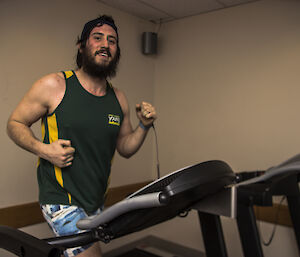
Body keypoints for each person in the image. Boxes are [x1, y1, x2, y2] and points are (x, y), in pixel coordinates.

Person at [6, 15, 157, 257]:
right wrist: (44, 149)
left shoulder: (118, 98)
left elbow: (126, 148)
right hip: (60, 198)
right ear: (82, 46)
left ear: (116, 51)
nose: (105, 44)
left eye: (112, 41)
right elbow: (14, 123)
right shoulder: (54, 85)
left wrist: (144, 126)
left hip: (96, 202)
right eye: (97, 38)